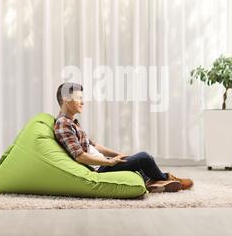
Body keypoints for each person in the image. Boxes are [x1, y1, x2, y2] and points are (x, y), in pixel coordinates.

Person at [53, 82, 194, 193]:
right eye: (79, 98)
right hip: (99, 168)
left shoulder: (72, 122)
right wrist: (109, 163)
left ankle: (152, 182)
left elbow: (94, 146)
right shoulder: (63, 124)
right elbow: (79, 156)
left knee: (136, 164)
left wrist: (117, 155)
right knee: (144, 157)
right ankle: (166, 178)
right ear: (66, 99)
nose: (83, 102)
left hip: (103, 163)